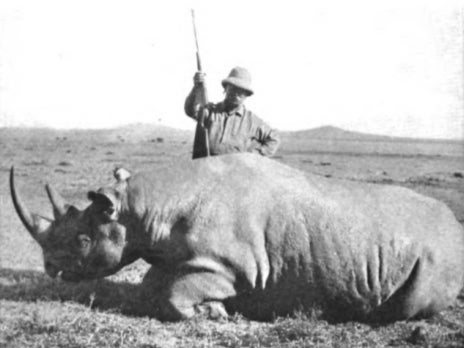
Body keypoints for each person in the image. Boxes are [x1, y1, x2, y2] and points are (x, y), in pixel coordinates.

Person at [184, 66, 280, 159]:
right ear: (226, 88)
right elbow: (190, 110)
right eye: (233, 88)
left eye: (241, 91)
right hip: (207, 170)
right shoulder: (211, 111)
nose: (236, 94)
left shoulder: (252, 121)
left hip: (235, 172)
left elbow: (274, 139)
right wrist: (196, 87)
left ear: (246, 95)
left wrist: (253, 157)